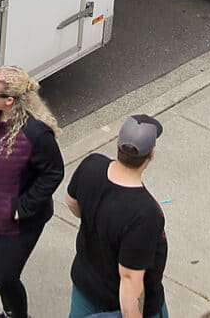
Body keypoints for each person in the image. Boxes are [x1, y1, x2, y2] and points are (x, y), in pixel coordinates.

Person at [0, 65, 63, 318]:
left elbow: (53, 173)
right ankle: (9, 312)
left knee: (5, 276)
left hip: (20, 221)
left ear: (9, 100)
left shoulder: (35, 134)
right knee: (1, 272)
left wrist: (23, 207)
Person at [67, 113, 170, 318]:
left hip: (85, 290)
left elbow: (72, 203)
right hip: (122, 307)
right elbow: (130, 278)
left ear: (118, 145)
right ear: (151, 154)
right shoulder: (144, 213)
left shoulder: (91, 165)